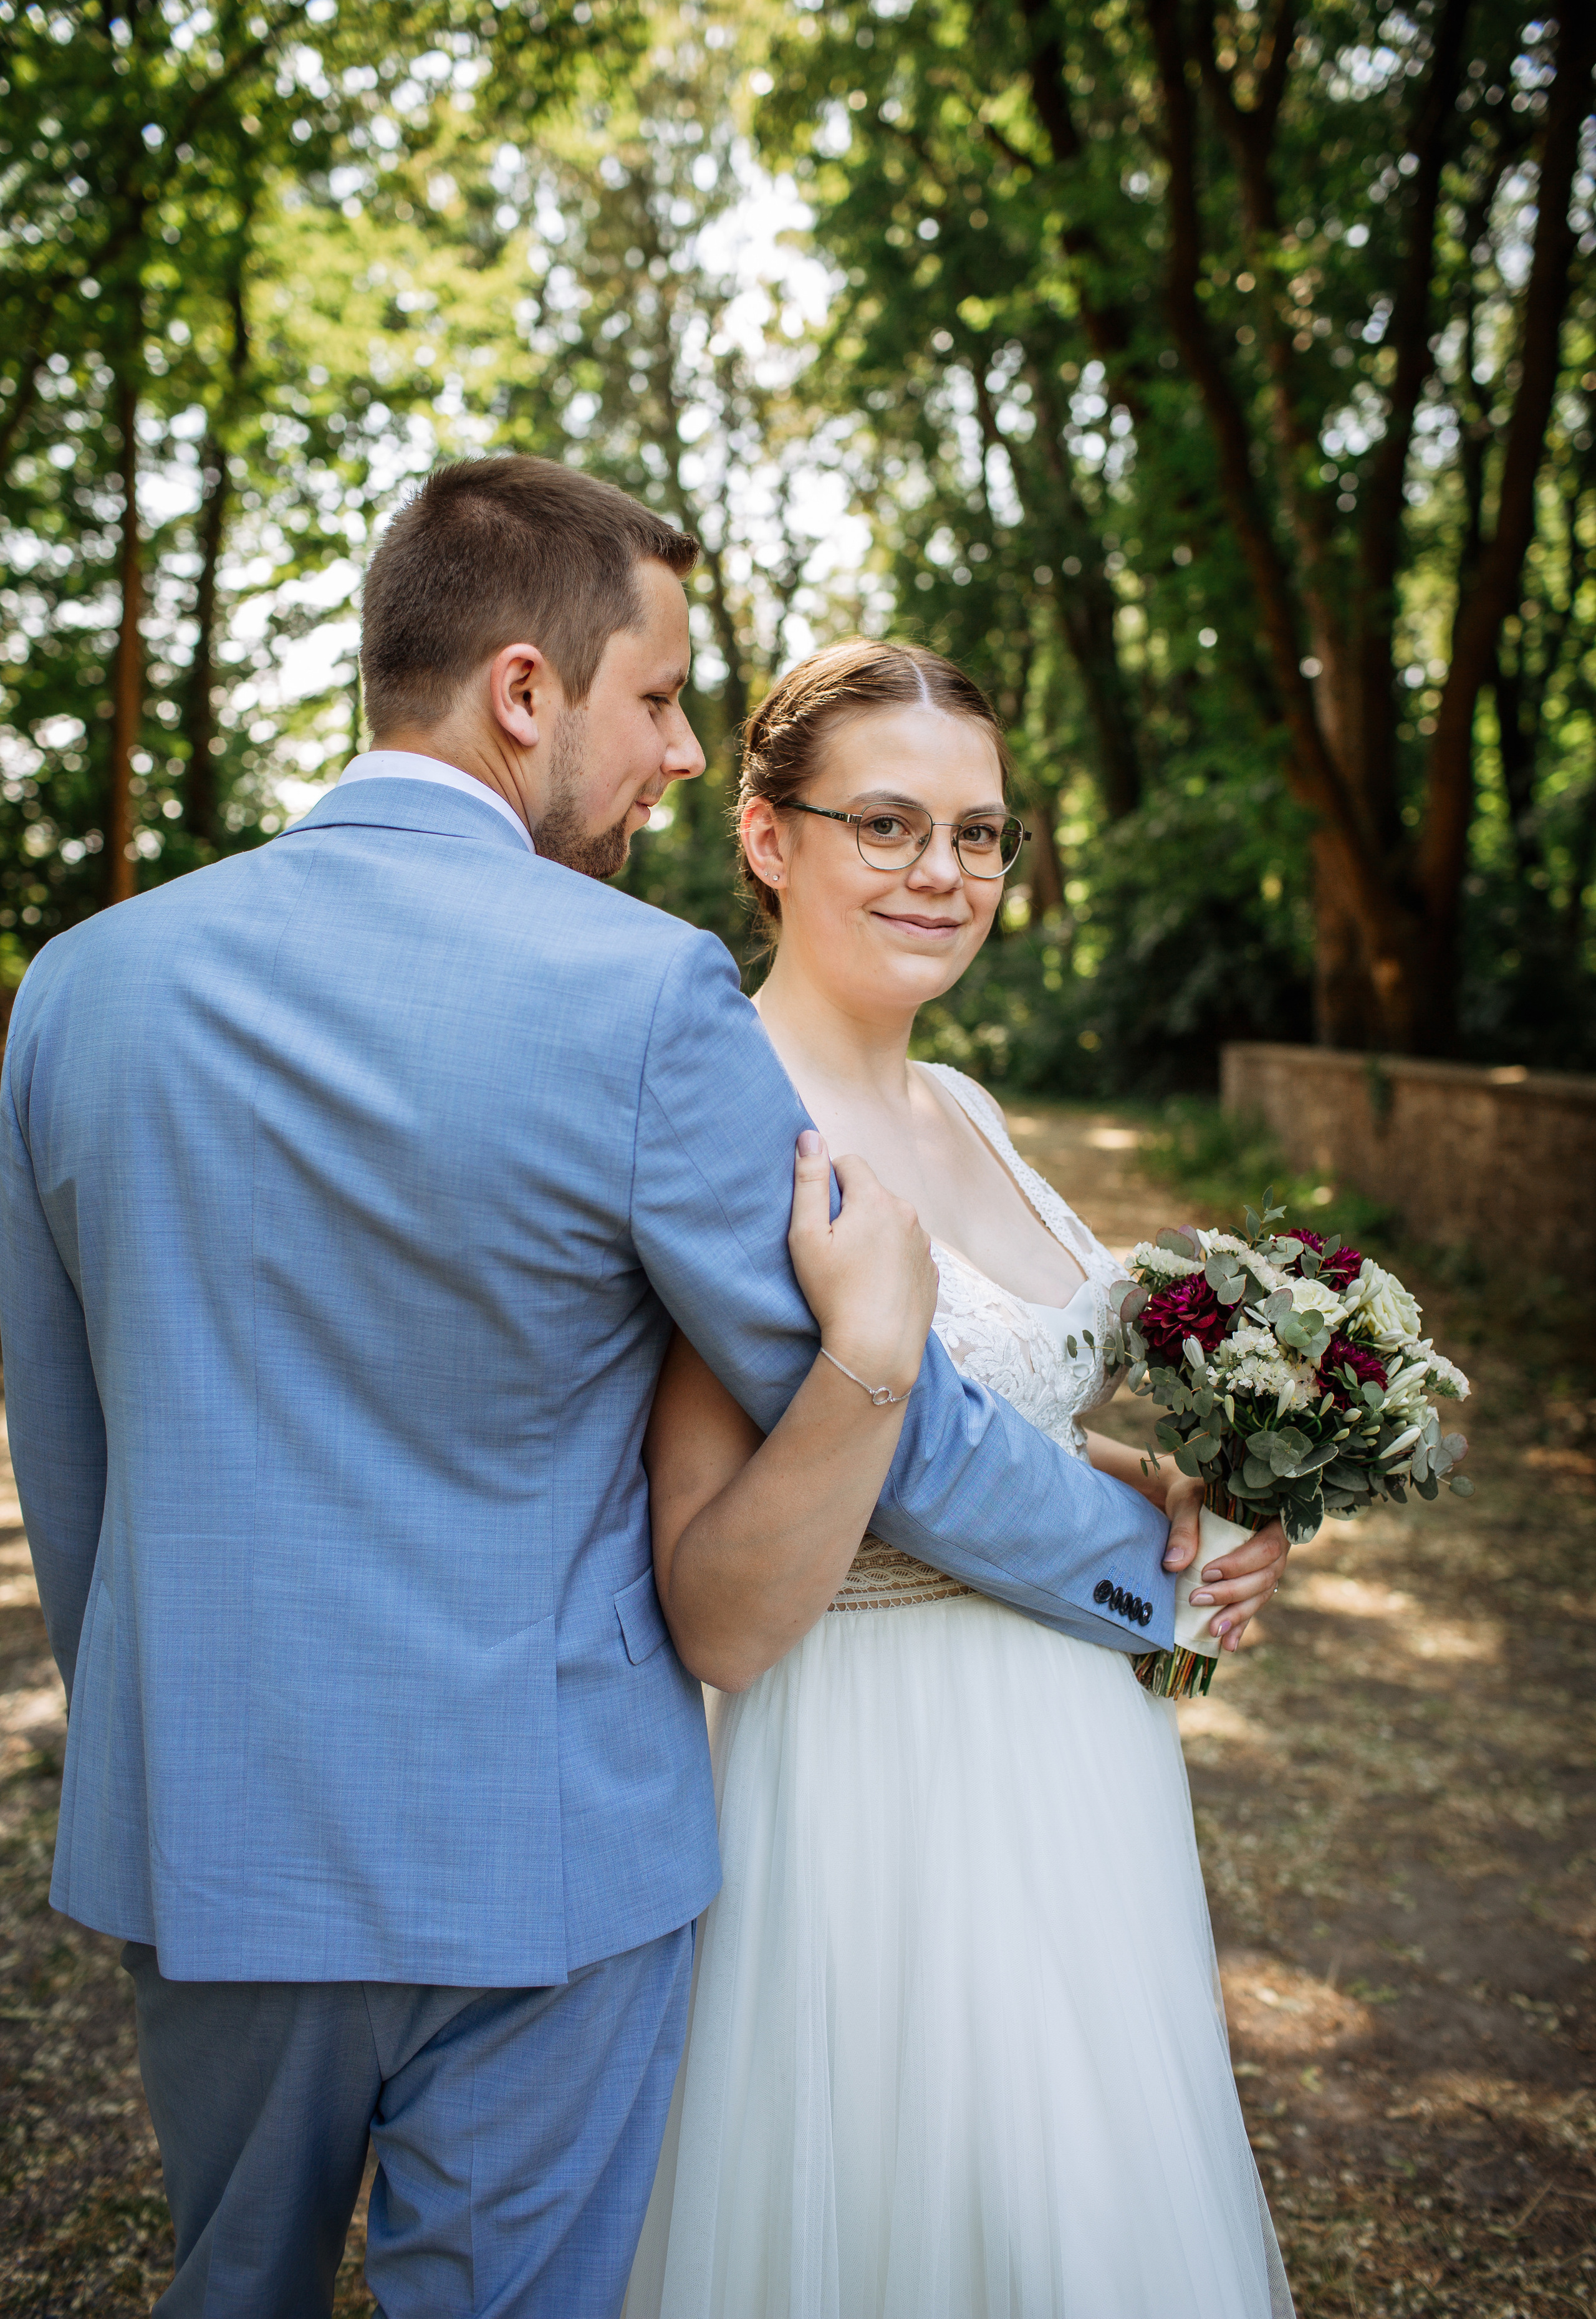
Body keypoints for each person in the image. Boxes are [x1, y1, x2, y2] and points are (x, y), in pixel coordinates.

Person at [0, 459, 1272, 2319]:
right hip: (548, 1853)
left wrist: (151, 1733)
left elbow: (71, 1453)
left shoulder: (82, 990)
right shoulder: (644, 988)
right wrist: (1147, 1568)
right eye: (660, 699)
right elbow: (869, 1410)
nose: (679, 753)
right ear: (527, 693)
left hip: (210, 1824)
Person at [625, 640, 1296, 2319]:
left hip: (1084, 1763)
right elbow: (714, 1609)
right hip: (879, 1787)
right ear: (768, 840)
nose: (948, 872)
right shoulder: (734, 1135)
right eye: (889, 824)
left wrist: (1179, 1502)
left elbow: (1022, 1428)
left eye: (982, 833)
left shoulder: (970, 1104)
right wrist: (867, 1360)